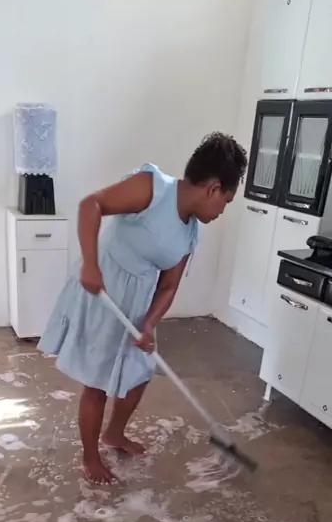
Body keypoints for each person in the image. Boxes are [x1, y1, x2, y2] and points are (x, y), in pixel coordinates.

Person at [39, 132, 247, 484]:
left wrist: (150, 323)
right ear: (214, 188)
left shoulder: (190, 233)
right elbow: (91, 205)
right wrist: (91, 264)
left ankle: (114, 433)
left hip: (136, 307)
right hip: (101, 291)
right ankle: (90, 457)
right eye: (226, 201)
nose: (222, 210)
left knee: (140, 372)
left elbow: (168, 285)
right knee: (97, 383)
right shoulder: (153, 188)